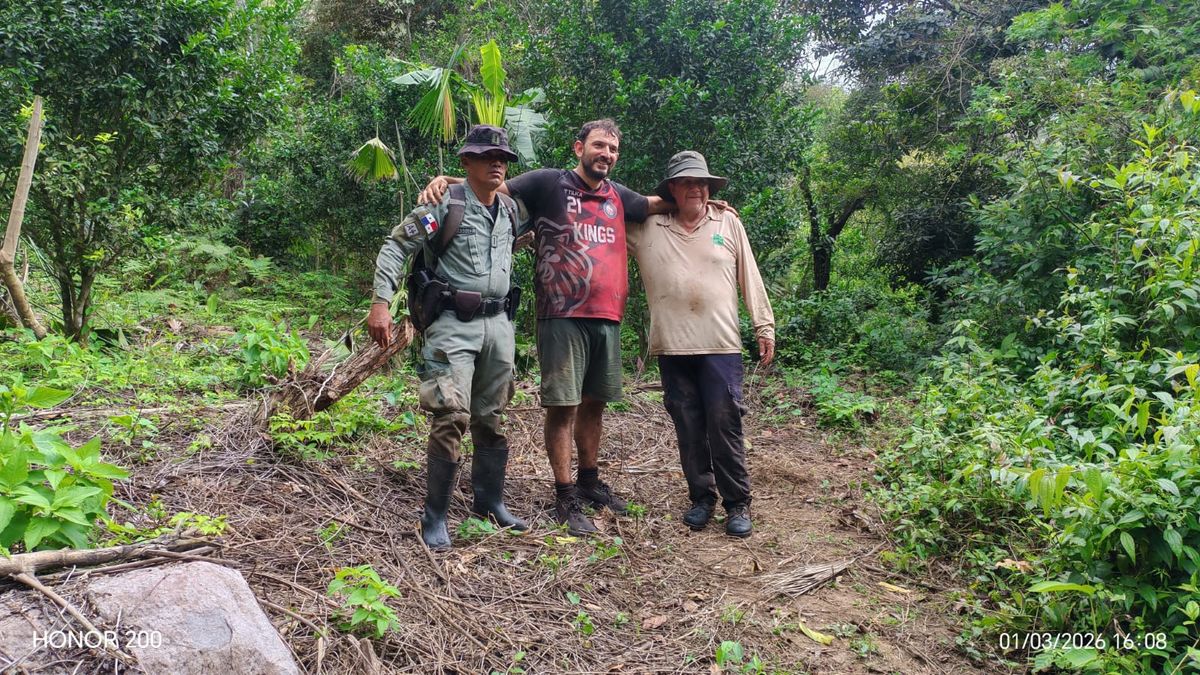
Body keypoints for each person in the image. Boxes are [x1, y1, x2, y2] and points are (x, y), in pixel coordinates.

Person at [420, 119, 670, 535]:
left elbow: (655, 203)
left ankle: (589, 481)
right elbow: (490, 186)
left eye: (612, 149)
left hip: (607, 316)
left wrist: (704, 200)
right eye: (599, 145)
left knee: (594, 402)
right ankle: (565, 494)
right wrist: (445, 181)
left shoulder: (617, 196)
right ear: (579, 148)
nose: (606, 154)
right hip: (561, 312)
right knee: (563, 405)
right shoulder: (548, 183)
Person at [368, 125, 527, 551]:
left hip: (500, 324)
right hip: (454, 323)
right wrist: (381, 302)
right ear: (467, 162)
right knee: (451, 415)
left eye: (503, 158)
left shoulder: (510, 210)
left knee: (492, 415)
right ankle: (435, 515)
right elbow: (396, 246)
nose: (497, 164)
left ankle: (489, 503)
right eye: (488, 156)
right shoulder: (444, 204)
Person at [626, 150, 775, 537]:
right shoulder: (648, 226)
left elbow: (749, 274)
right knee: (688, 425)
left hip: (720, 344)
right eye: (687, 183)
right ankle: (701, 498)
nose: (697, 189)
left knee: (724, 423)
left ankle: (737, 502)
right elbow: (603, 211)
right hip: (672, 345)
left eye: (702, 183)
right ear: (671, 189)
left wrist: (764, 324)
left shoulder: (727, 222)